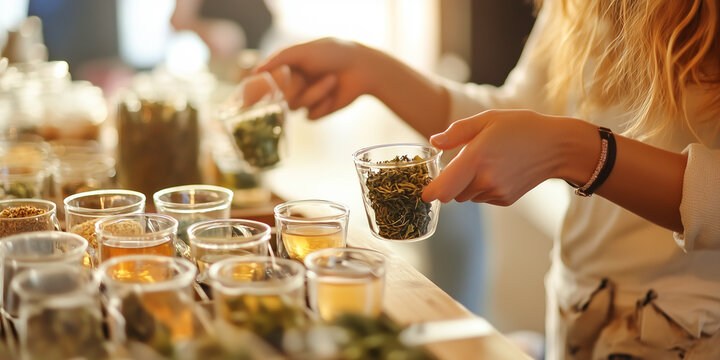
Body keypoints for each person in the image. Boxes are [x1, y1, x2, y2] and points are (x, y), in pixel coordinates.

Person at [255, 0, 720, 358]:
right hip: (578, 317)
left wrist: (579, 151)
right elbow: (517, 110)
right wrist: (370, 69)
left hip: (691, 337)